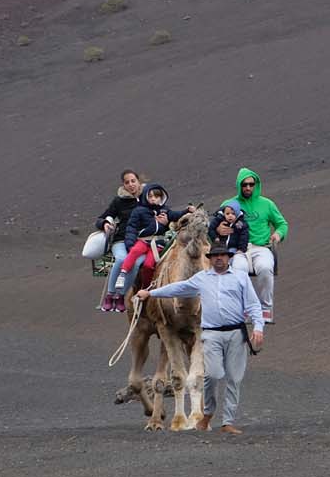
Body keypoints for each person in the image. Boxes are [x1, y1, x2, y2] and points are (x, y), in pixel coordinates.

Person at [136, 242, 265, 434]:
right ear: (210, 258)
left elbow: (253, 304)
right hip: (211, 333)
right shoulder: (202, 278)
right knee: (212, 375)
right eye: (215, 256)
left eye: (222, 255)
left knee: (234, 378)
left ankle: (227, 422)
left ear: (228, 258)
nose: (219, 258)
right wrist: (151, 293)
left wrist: (258, 327)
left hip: (236, 333)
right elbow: (179, 288)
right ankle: (207, 414)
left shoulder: (240, 278)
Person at [111, 182, 186, 309]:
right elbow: (132, 227)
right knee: (134, 251)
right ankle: (122, 274)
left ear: (161, 197)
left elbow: (176, 215)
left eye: (156, 196)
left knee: (148, 264)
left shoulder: (165, 211)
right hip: (143, 240)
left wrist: (187, 211)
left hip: (157, 244)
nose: (153, 199)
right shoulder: (139, 211)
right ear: (146, 197)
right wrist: (130, 243)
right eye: (150, 196)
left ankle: (145, 288)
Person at [231, 167, 288, 326]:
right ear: (239, 185)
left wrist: (278, 234)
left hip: (261, 247)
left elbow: (282, 224)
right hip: (239, 249)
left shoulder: (267, 204)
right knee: (238, 269)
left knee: (264, 267)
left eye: (251, 184)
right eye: (244, 184)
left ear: (256, 185)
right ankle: (243, 309)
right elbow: (217, 223)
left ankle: (265, 309)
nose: (248, 187)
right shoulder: (231, 204)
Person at [94, 170, 144, 312]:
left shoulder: (148, 196)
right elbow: (101, 218)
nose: (131, 184)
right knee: (122, 259)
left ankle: (121, 296)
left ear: (138, 181)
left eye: (133, 181)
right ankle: (110, 295)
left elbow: (163, 209)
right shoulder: (119, 201)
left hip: (142, 241)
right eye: (127, 182)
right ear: (124, 184)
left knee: (136, 264)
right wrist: (104, 223)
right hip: (121, 239)